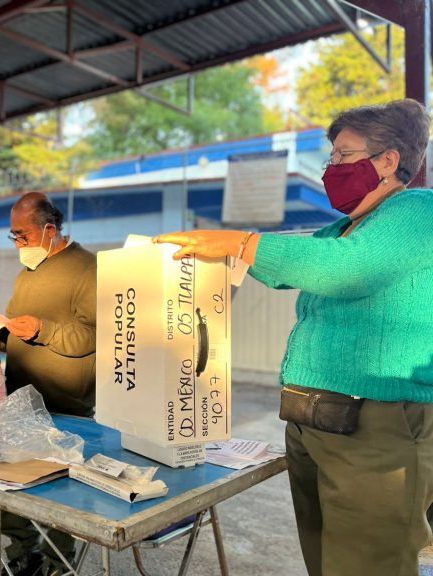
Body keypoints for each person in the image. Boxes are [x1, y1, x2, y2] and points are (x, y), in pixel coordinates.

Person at [154, 99, 433, 576]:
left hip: (376, 424)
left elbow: (347, 270)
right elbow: (289, 269)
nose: (331, 169)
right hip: (314, 418)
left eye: (343, 156)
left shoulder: (417, 210)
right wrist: (217, 259)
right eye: (332, 158)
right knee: (325, 558)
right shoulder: (346, 227)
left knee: (369, 563)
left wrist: (238, 242)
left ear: (388, 161)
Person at [0, 192, 96, 576]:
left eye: (22, 235)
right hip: (20, 399)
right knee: (15, 484)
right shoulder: (29, 273)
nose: (18, 244)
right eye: (14, 236)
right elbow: (19, 337)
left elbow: (94, 336)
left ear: (50, 229)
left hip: (66, 402)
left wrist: (44, 328)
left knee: (60, 494)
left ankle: (58, 564)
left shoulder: (88, 269)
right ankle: (22, 553)